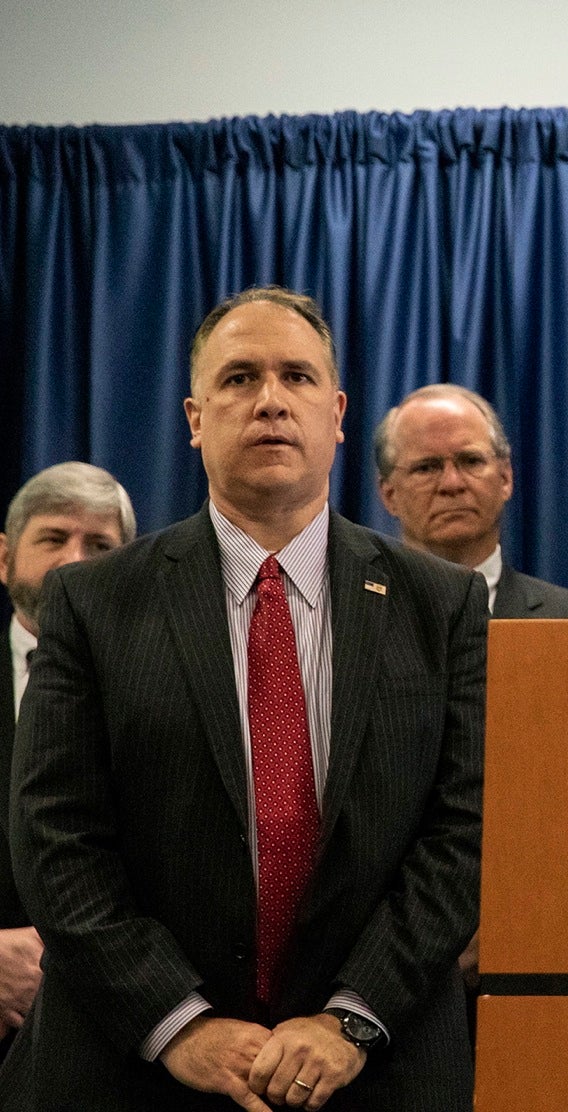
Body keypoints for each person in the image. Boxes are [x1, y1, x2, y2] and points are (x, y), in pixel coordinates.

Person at [5, 286, 483, 1110]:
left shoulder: (442, 606)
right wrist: (178, 1024)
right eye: (238, 379)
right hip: (136, 1068)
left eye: (296, 377)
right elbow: (57, 839)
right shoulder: (92, 603)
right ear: (194, 417)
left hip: (381, 1067)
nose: (269, 401)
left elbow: (464, 830)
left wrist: (350, 1020)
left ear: (336, 415)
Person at [0, 462, 136, 1063]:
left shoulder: (165, 690)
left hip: (118, 1038)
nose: (75, 561)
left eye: (100, 545)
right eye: (54, 538)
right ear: (4, 557)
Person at [374, 383, 568, 619]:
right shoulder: (349, 621)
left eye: (471, 461)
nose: (452, 484)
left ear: (505, 478)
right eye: (427, 468)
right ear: (389, 495)